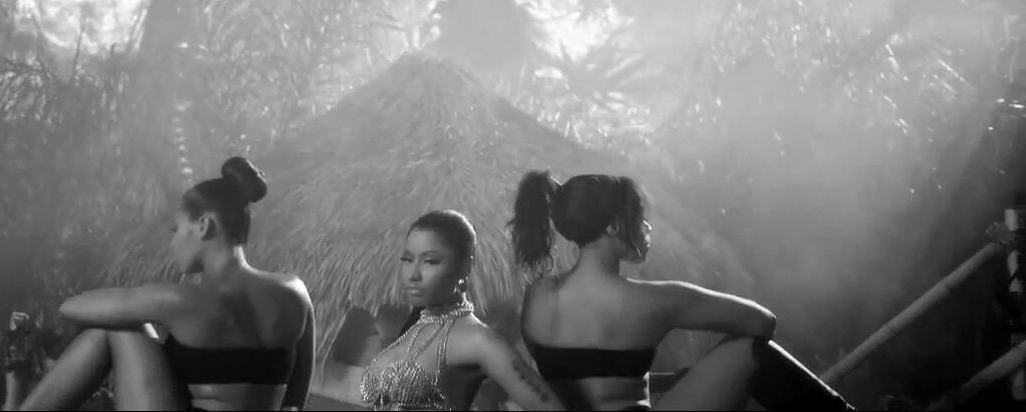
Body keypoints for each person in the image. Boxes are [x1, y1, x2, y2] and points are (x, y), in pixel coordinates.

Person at [509, 171, 855, 411]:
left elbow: (582, 375)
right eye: (638, 216)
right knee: (754, 351)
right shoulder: (652, 300)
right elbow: (762, 322)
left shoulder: (537, 298)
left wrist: (673, 380)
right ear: (613, 226)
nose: (647, 227)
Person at [18, 157, 314, 411]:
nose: (173, 243)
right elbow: (299, 383)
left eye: (177, 229)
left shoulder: (179, 301)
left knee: (115, 328)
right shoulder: (295, 292)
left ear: (204, 226)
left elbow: (71, 307)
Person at [360, 210, 566, 411]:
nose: (413, 274)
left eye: (430, 261)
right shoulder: (416, 329)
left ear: (464, 266)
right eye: (407, 259)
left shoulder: (479, 340)